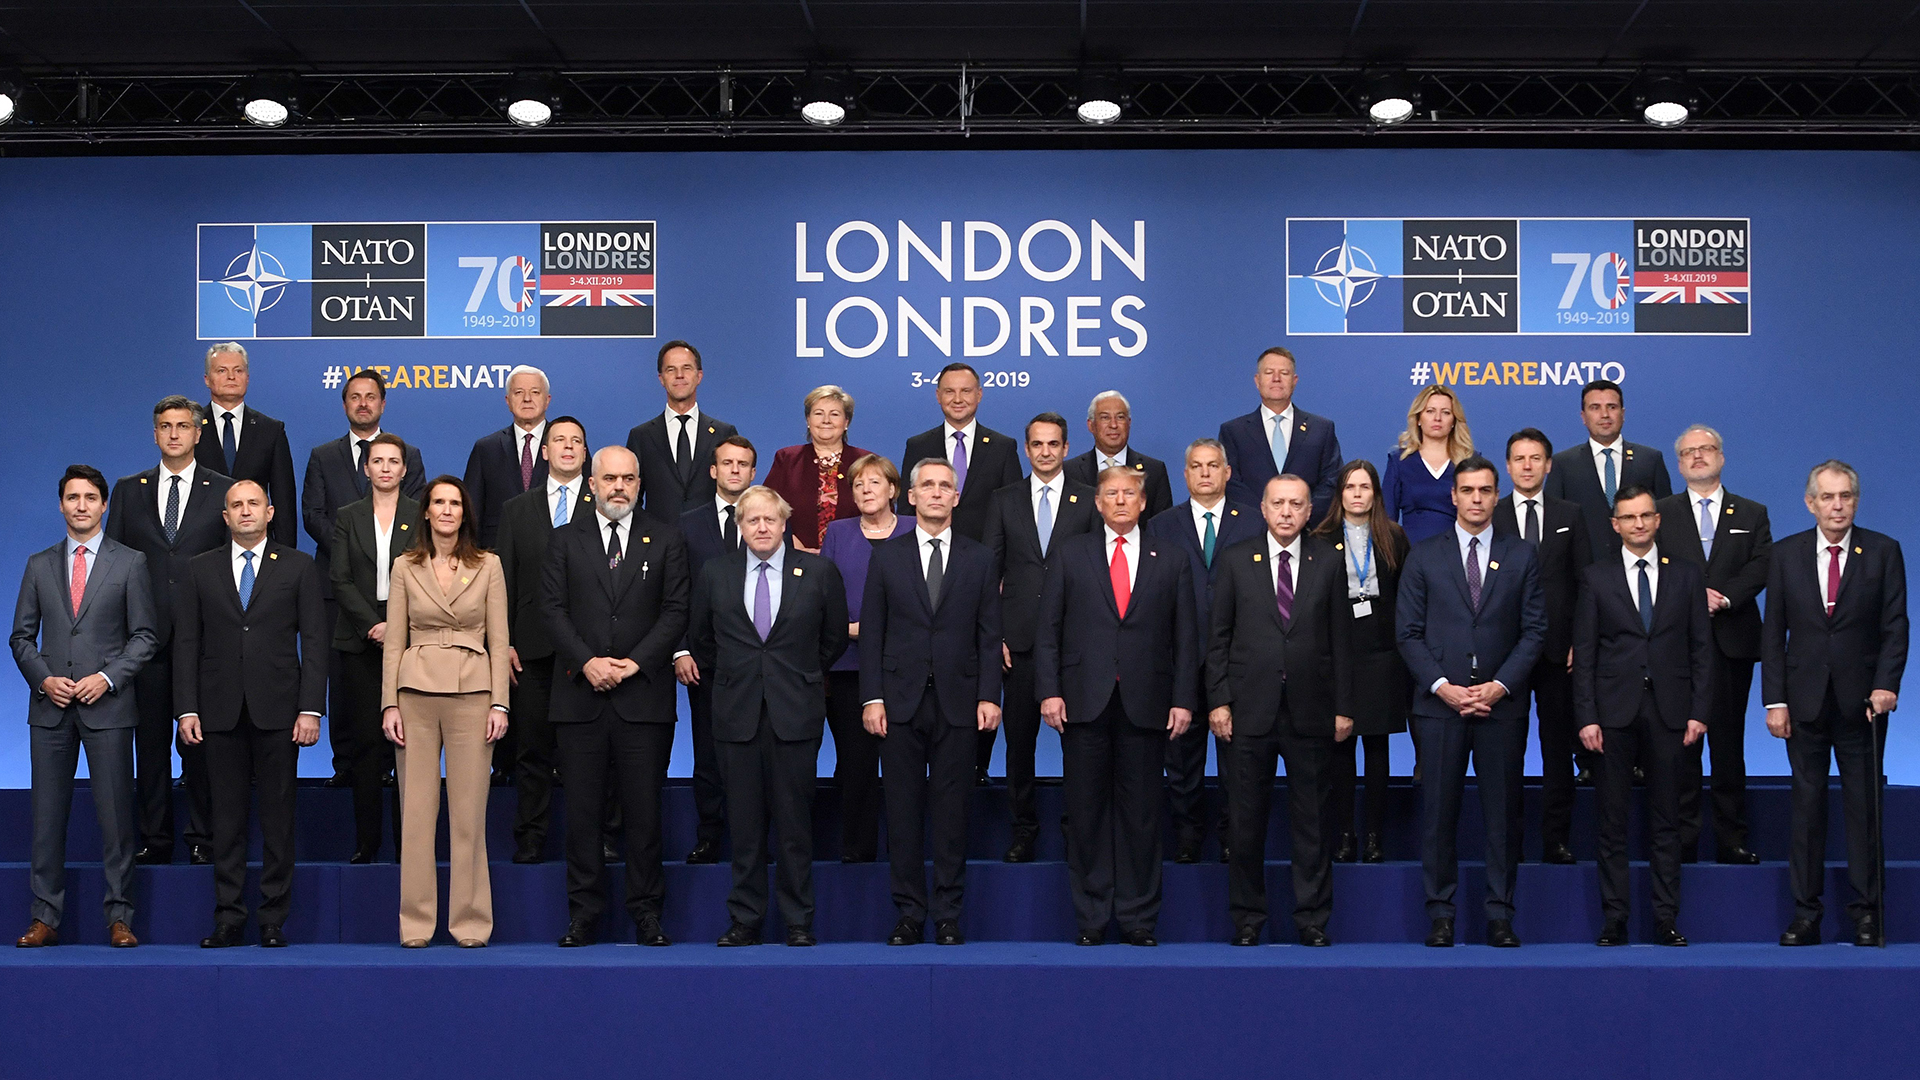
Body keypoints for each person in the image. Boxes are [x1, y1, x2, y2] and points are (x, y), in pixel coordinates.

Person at [1035, 467, 1196, 946]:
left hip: (1148, 705)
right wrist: (1049, 690)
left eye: (1130, 493)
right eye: (1111, 494)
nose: (1121, 501)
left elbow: (1186, 638)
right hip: (1083, 701)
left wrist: (1184, 699)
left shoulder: (1171, 558)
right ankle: (1091, 919)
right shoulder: (1070, 554)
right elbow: (1048, 631)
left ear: (1144, 502)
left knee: (1143, 817)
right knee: (1085, 815)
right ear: (1097, 503)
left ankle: (1139, 919)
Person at [1396, 455, 1546, 949]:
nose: (1477, 499)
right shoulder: (1423, 555)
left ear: (1496, 496)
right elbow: (1408, 634)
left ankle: (1500, 914)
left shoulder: (1522, 555)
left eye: (1485, 490)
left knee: (1503, 817)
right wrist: (1444, 686)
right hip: (1440, 707)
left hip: (1501, 707)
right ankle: (1441, 914)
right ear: (1452, 497)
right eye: (1468, 490)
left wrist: (1499, 686)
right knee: (1439, 816)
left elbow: (1534, 631)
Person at [543, 446, 689, 948]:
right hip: (579, 698)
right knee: (582, 816)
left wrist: (635, 663)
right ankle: (583, 915)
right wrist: (588, 662)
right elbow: (552, 610)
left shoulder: (666, 539)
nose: (619, 487)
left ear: (639, 481)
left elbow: (675, 611)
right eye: (610, 479)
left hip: (643, 698)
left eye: (628, 478)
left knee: (645, 815)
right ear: (591, 484)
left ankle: (647, 914)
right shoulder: (564, 541)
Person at [691, 485, 849, 946]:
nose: (762, 527)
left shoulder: (818, 573)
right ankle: (746, 920)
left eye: (770, 520)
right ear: (739, 527)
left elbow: (833, 638)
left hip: (795, 713)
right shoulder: (715, 573)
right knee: (744, 825)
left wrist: (796, 675)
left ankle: (799, 921)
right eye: (752, 520)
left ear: (785, 525)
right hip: (736, 713)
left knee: (796, 825)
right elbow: (702, 639)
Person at [174, 480, 327, 948]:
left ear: (270, 511)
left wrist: (310, 709)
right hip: (217, 710)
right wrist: (186, 708)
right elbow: (186, 643)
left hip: (281, 709)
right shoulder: (199, 569)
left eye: (253, 504)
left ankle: (273, 919)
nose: (245, 512)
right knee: (227, 820)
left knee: (279, 819)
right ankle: (228, 916)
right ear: (225, 516)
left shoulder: (299, 566)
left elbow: (316, 641)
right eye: (236, 505)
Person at [10, 464, 157, 949]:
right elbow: (20, 637)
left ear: (104, 504)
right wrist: (43, 679)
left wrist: (107, 677)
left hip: (108, 707)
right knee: (47, 820)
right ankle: (45, 917)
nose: (81, 505)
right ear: (60, 504)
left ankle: (119, 918)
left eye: (90, 497)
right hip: (50, 710)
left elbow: (144, 637)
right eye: (72, 497)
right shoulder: (38, 564)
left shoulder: (130, 562)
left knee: (117, 822)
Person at [1764, 460, 1908, 948]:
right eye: (1827, 497)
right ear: (1810, 503)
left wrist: (1887, 683)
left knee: (1864, 812)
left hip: (1863, 705)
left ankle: (1868, 914)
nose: (1837, 505)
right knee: (1806, 813)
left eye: (1845, 496)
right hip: (1802, 703)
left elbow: (1895, 625)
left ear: (1856, 500)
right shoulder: (1785, 555)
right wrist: (1774, 701)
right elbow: (1773, 634)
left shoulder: (1884, 551)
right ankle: (1807, 915)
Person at [861, 458, 1002, 946]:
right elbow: (873, 633)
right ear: (912, 497)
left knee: (952, 813)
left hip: (961, 703)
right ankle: (907, 914)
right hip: (897, 703)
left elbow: (989, 636)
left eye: (946, 486)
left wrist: (989, 695)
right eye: (928, 486)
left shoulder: (980, 559)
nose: (938, 493)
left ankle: (947, 915)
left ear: (956, 497)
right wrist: (871, 697)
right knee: (901, 815)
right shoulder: (886, 556)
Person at [1207, 474, 1353, 946]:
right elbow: (1219, 638)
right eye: (1278, 503)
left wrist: (1344, 707)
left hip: (1312, 712)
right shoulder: (1234, 560)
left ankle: (1311, 920)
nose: (1287, 512)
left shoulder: (1330, 562)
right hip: (1248, 711)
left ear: (1310, 511)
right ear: (1263, 510)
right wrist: (1219, 700)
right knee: (1246, 824)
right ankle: (1248, 920)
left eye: (1296, 504)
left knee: (1312, 824)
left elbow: (1341, 643)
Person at [1573, 485, 1712, 947]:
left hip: (1672, 713)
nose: (1638, 524)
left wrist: (1699, 711)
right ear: (1615, 525)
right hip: (1612, 715)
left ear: (1657, 520)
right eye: (1628, 518)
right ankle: (1615, 919)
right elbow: (1586, 654)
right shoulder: (1596, 578)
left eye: (1645, 516)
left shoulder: (1687, 576)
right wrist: (1587, 716)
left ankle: (1665, 919)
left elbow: (1701, 650)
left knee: (1667, 821)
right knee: (1611, 823)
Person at [380, 476, 510, 947]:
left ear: (464, 513)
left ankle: (471, 922)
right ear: (427, 512)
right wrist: (389, 703)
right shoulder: (404, 566)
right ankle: (416, 924)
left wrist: (500, 701)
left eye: (455, 502)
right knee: (415, 812)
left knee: (469, 814)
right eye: (439, 502)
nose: (448, 510)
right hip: (414, 691)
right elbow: (394, 640)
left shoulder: (488, 565)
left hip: (474, 691)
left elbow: (499, 638)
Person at [106, 396, 232, 867]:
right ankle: (154, 838)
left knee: (201, 746)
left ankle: (203, 836)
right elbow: (113, 565)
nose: (175, 433)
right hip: (144, 641)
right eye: (165, 426)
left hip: (202, 643)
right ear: (154, 434)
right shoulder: (127, 490)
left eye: (183, 426)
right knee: (151, 746)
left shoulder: (224, 489)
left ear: (199, 433)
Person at [300, 369, 426, 787]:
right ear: (344, 404)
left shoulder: (408, 452)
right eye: (354, 396)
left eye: (371, 396)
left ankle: (391, 767)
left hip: (403, 592)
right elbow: (312, 514)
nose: (363, 403)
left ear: (383, 403)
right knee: (345, 686)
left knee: (398, 683)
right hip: (338, 589)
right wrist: (352, 554)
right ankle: (345, 765)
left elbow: (419, 519)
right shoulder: (322, 455)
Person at [982, 412, 1098, 861]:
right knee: (1019, 745)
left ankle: (1076, 828)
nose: (1045, 452)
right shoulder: (1003, 500)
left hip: (1077, 646)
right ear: (1026, 451)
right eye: (1037, 445)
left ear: (1066, 448)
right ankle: (1023, 828)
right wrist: (996, 637)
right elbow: (988, 572)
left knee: (1080, 748)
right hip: (1019, 643)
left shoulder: (1089, 500)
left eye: (1054, 444)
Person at [1656, 424, 1771, 865]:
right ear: (1679, 463)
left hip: (1732, 641)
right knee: (1682, 747)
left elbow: (1763, 564)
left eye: (1706, 450)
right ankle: (1683, 838)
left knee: (1727, 745)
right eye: (1688, 452)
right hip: (1676, 646)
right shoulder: (1661, 512)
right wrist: (1690, 598)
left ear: (1721, 457)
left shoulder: (1752, 512)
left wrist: (1723, 596)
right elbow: (1653, 564)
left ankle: (1731, 838)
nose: (1698, 457)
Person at [1148, 438, 1261, 864]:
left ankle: (1234, 837)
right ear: (1186, 474)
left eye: (1213, 466)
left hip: (1239, 661)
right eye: (1197, 466)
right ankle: (1188, 836)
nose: (1206, 473)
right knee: (1181, 763)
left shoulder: (1252, 523)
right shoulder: (1161, 525)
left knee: (1239, 764)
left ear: (1227, 472)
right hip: (1181, 659)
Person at [495, 417, 596, 864]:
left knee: (589, 755)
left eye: (577, 440)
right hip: (531, 649)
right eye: (559, 440)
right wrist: (506, 642)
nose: (568, 447)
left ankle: (597, 838)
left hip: (590, 650)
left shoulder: (606, 504)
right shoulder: (517, 509)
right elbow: (505, 583)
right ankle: (531, 837)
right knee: (531, 749)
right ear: (544, 451)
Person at [1491, 429, 1592, 863]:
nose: (1528, 465)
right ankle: (1508, 841)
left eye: (1536, 458)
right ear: (1508, 466)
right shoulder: (1491, 516)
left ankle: (1556, 839)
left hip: (1558, 654)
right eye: (1519, 458)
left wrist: (1580, 644)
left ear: (1549, 465)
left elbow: (1588, 584)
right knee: (1505, 755)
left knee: (1557, 753)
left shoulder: (1573, 513)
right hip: (1505, 655)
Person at [816, 453, 913, 863]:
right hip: (847, 668)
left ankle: (904, 853)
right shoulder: (837, 534)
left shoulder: (914, 529)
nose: (866, 490)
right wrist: (853, 630)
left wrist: (873, 630)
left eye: (875, 483)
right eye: (858, 485)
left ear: (893, 490)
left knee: (903, 766)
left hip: (906, 667)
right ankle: (858, 853)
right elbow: (821, 598)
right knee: (855, 766)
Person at [1312, 460, 1411, 864]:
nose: (1357, 494)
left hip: (1382, 653)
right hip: (1338, 651)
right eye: (1350, 486)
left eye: (1365, 487)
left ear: (1376, 494)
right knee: (1339, 749)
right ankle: (1345, 834)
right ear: (1340, 494)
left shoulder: (1394, 537)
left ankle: (1373, 835)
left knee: (1377, 748)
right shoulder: (1319, 537)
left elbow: (1407, 596)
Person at [328, 434, 418, 863]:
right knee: (365, 745)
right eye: (376, 460)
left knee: (408, 746)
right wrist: (374, 625)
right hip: (360, 639)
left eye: (393, 461)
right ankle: (368, 842)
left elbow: (429, 578)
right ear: (365, 468)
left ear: (405, 469)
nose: (384, 467)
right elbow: (340, 579)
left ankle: (407, 845)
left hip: (414, 642)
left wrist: (397, 627)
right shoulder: (348, 516)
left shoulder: (421, 515)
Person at [673, 435, 762, 863]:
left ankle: (758, 839)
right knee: (708, 753)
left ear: (752, 472)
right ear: (713, 470)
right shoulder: (689, 523)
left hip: (761, 664)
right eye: (727, 463)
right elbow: (676, 592)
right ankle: (710, 833)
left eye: (742, 464)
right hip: (704, 660)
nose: (734, 470)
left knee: (756, 756)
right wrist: (681, 650)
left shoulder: (770, 520)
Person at [1545, 379, 1673, 562]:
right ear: (1583, 416)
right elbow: (1555, 524)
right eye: (1595, 407)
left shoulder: (1650, 459)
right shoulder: (1563, 463)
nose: (1604, 414)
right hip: (1583, 572)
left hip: (1642, 568)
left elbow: (1665, 520)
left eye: (1611, 407)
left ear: (1623, 413)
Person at [897, 363, 1022, 544]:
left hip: (986, 556)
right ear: (938, 396)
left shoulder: (1003, 447)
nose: (957, 399)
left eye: (965, 391)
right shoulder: (918, 446)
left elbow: (1013, 511)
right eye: (949, 391)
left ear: (979, 395)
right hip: (930, 554)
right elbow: (907, 509)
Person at [1217, 347, 1343, 522]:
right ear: (1257, 380)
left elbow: (1331, 481)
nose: (1276, 379)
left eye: (1284, 373)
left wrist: (1299, 516)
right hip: (1251, 533)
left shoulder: (1321, 429)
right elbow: (1231, 483)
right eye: (1269, 372)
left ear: (1294, 380)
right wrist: (1265, 516)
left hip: (1308, 535)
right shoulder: (1234, 432)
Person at [195, 342, 298, 546]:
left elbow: (283, 501)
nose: (231, 377)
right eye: (222, 370)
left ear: (247, 378)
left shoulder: (271, 430)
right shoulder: (190, 427)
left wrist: (286, 558)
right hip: (200, 546)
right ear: (207, 379)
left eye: (238, 370)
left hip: (255, 544)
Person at [626, 340, 739, 518]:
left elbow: (735, 493)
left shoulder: (723, 434)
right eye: (671, 369)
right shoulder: (641, 436)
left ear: (699, 376)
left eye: (686, 368)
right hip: (657, 542)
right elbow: (631, 497)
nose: (679, 375)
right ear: (661, 379)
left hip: (711, 542)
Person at [766, 386, 873, 553]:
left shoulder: (865, 461)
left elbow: (881, 513)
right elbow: (767, 508)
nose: (826, 420)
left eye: (835, 414)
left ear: (846, 423)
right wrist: (792, 544)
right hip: (797, 557)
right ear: (808, 420)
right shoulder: (787, 458)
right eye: (818, 413)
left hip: (853, 555)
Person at [464, 364, 550, 548]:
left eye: (535, 392)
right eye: (518, 392)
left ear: (547, 400)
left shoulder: (567, 445)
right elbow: (472, 512)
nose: (527, 399)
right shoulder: (486, 448)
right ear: (507, 401)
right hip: (497, 553)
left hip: (554, 554)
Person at [1383, 386, 1473, 545]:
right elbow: (1386, 520)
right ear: (1418, 418)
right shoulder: (1400, 461)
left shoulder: (1469, 463)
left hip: (1457, 555)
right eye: (1430, 411)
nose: (1437, 418)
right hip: (1410, 555)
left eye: (1445, 412)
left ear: (1454, 420)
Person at [1063, 391, 1173, 519]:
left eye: (1120, 417)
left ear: (1129, 422)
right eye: (1105, 417)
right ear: (1091, 425)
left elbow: (1162, 526)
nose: (1113, 425)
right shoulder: (1070, 471)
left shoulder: (1154, 470)